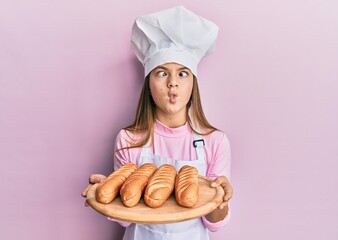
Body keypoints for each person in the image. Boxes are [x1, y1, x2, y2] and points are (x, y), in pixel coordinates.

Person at [81, 5, 233, 240]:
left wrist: (220, 200)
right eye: (161, 73)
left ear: (193, 84)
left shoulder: (214, 142)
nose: (172, 83)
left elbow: (213, 223)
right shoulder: (129, 140)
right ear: (148, 85)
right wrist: (111, 192)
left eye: (182, 74)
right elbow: (125, 219)